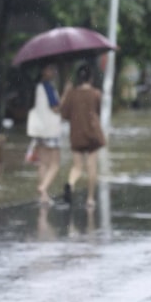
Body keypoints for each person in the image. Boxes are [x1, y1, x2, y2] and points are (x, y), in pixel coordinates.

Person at [60, 64, 106, 208]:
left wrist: (66, 93)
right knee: (91, 166)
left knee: (77, 166)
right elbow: (98, 112)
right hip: (92, 134)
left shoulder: (72, 94)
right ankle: (90, 198)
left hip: (76, 134)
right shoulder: (96, 94)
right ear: (91, 78)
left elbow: (64, 115)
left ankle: (71, 183)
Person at [26, 64, 62, 205]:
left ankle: (44, 196)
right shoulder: (47, 87)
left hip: (40, 130)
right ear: (43, 70)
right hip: (50, 130)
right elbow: (55, 108)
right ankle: (43, 187)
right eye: (50, 68)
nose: (53, 71)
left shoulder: (38, 86)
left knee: (43, 164)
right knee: (55, 164)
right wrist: (65, 95)